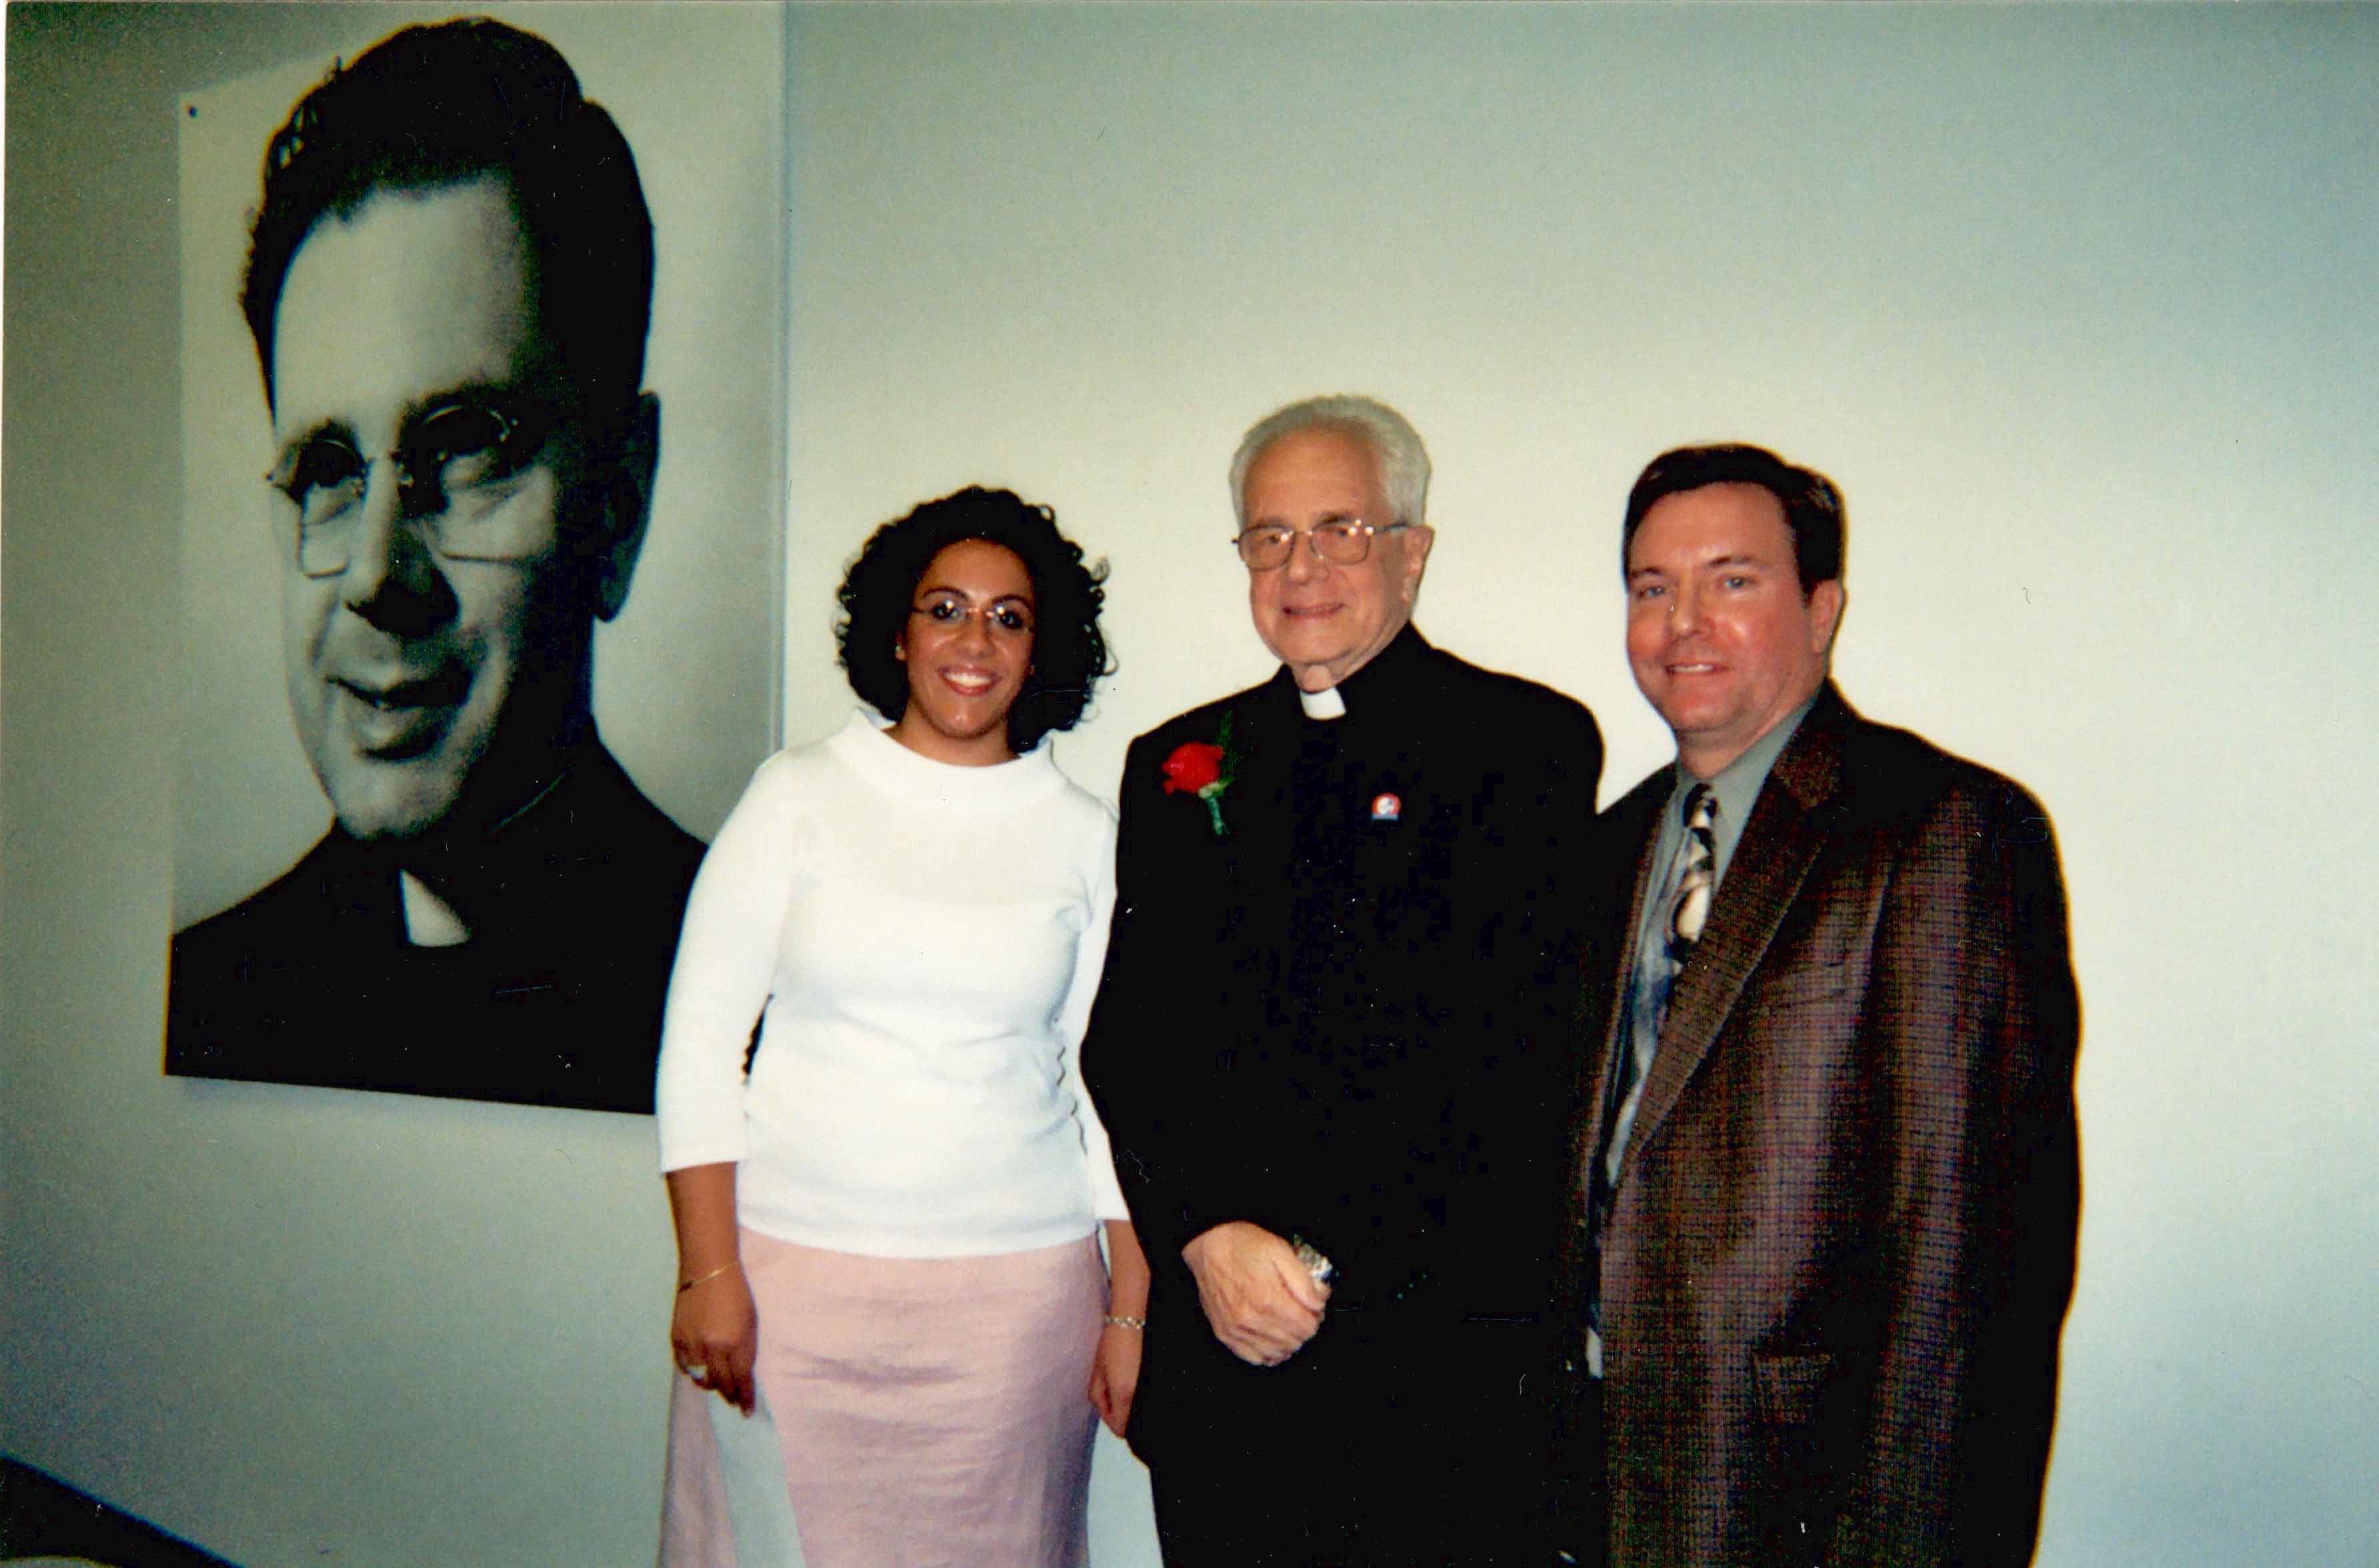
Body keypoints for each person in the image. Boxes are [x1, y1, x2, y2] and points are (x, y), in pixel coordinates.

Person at [1081, 395, 1604, 1565]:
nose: (1301, 565)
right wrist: (1207, 1233)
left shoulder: (1526, 746)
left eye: (1340, 530)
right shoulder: (1175, 763)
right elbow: (1132, 1040)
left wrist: (1319, 1267)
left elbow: (1504, 1063)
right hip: (1228, 1360)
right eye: (1269, 536)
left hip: (1438, 1372)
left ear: (1412, 554)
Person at [1554, 444, 2081, 1566]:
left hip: (1806, 1488)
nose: (1683, 622)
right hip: (1592, 1475)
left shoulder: (1942, 831)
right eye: (1653, 589)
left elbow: (1976, 1256)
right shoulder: (1608, 848)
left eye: (1732, 580)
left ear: (1822, 607)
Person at [162, 19, 701, 1113]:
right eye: (324, 468)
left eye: (464, 446)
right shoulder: (213, 991)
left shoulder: (765, 992)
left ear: (619, 504)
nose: (374, 575)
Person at [654, 487, 1147, 1566]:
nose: (976, 641)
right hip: (791, 1296)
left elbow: (1109, 1086)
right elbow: (697, 1047)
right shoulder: (799, 793)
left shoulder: (1081, 835)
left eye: (1009, 617)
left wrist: (1131, 1310)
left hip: (1015, 1316)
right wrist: (708, 1273)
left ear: (1042, 648)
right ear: (897, 630)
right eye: (946, 608)